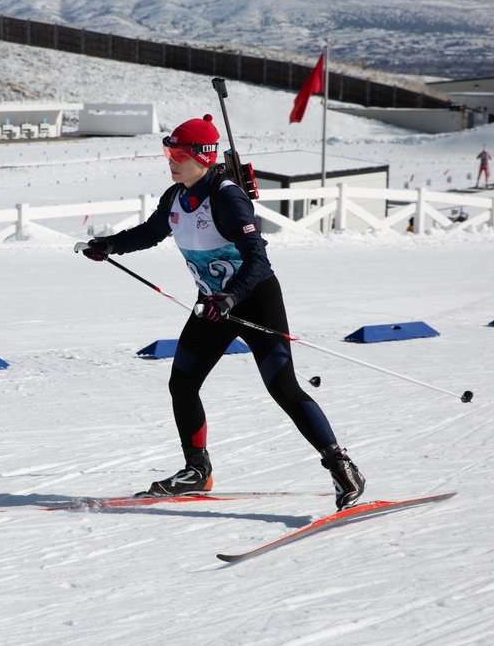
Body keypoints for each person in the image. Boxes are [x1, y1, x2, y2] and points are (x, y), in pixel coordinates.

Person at [78, 115, 365, 510]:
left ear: (203, 156)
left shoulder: (227, 197)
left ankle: (342, 466)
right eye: (168, 151)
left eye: (178, 153)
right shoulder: (175, 196)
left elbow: (257, 259)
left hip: (253, 301)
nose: (171, 160)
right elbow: (150, 232)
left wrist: (228, 298)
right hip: (212, 306)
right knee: (182, 383)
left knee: (282, 387)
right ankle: (197, 471)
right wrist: (109, 245)